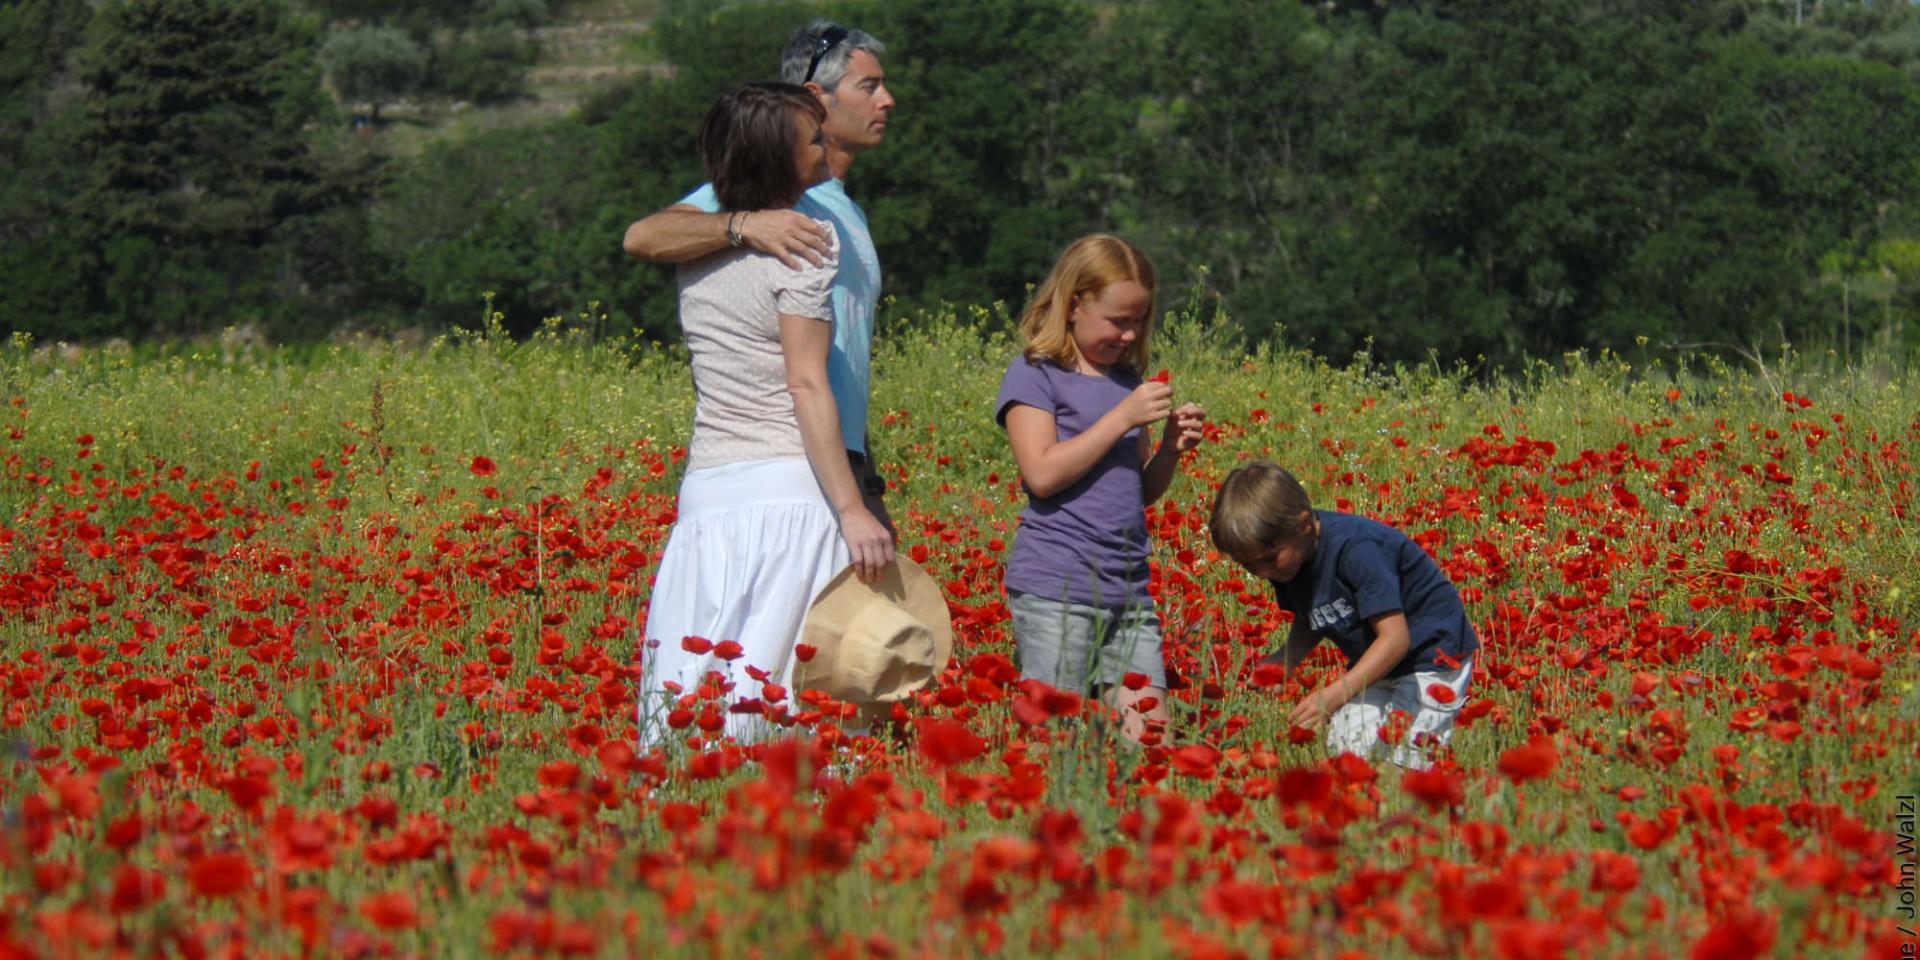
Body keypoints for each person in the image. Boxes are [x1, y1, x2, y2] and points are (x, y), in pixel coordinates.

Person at [637, 82, 893, 742]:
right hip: (789, 492)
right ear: (781, 158)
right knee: (790, 692)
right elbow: (806, 386)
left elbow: (649, 236)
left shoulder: (698, 247)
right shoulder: (806, 242)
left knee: (699, 686)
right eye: (813, 138)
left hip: (708, 494)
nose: (824, 144)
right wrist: (852, 508)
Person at [622, 21, 897, 535]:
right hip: (787, 465)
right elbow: (643, 236)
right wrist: (743, 224)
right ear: (817, 98)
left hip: (842, 468)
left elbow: (842, 362)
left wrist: (869, 484)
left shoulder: (849, 216)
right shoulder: (772, 196)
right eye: (869, 86)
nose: (888, 100)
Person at [994, 235, 1206, 744]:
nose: (1130, 334)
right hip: (1056, 588)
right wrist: (1122, 419)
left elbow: (1140, 491)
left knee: (1150, 746)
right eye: (1118, 320)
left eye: (1139, 320)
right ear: (1073, 306)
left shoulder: (1128, 383)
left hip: (1129, 591)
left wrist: (1171, 449)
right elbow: (1041, 475)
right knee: (1053, 742)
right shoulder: (1035, 373)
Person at [1208, 462, 1479, 769]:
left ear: (1303, 525)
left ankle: (1417, 810)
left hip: (1431, 657)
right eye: (1248, 565)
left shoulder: (1357, 550)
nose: (1261, 572)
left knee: (1408, 755)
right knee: (1350, 747)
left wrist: (1335, 694)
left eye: (1269, 559)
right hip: (1377, 660)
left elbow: (1395, 639)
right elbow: (1311, 613)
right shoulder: (1289, 562)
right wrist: (1288, 658)